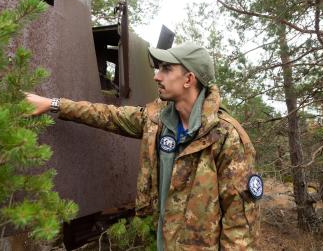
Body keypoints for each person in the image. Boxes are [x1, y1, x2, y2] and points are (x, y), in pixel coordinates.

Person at [26, 42, 262, 250]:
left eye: (166, 69)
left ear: (189, 79)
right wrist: (52, 104)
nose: (156, 76)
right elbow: (107, 115)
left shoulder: (226, 136)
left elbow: (240, 224)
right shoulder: (156, 121)